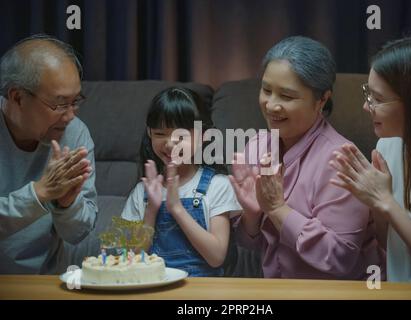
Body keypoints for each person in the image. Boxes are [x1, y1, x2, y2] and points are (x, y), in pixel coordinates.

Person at [229, 36, 384, 279]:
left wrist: (278, 209)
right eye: (266, 90)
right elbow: (248, 246)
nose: (271, 105)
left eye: (287, 96)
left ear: (321, 99)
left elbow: (340, 257)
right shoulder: (255, 146)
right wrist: (251, 216)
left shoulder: (341, 159)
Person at [329, 36, 411, 283]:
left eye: (378, 99)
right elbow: (388, 244)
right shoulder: (387, 145)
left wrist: (386, 202)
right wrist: (375, 204)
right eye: (368, 93)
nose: (365, 106)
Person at [0, 34, 97, 274]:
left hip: (45, 282)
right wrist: (39, 194)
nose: (70, 115)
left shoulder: (74, 133)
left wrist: (67, 203)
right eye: (60, 104)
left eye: (76, 101)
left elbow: (77, 234)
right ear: (18, 97)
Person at [121, 87, 241, 277]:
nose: (169, 143)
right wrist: (151, 210)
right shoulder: (141, 192)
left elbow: (216, 256)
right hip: (154, 287)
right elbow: (131, 260)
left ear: (202, 136)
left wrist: (176, 208)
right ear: (150, 134)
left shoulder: (218, 185)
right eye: (160, 134)